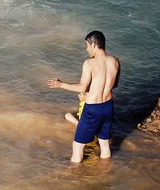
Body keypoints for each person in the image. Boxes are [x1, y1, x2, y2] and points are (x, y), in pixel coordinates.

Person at [47, 30, 120, 163]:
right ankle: (106, 171)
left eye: (87, 45)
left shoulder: (89, 63)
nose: (87, 49)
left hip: (92, 109)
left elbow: (82, 87)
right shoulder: (115, 61)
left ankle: (75, 177)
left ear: (94, 44)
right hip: (108, 107)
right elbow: (114, 85)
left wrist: (60, 84)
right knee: (104, 144)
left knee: (77, 146)